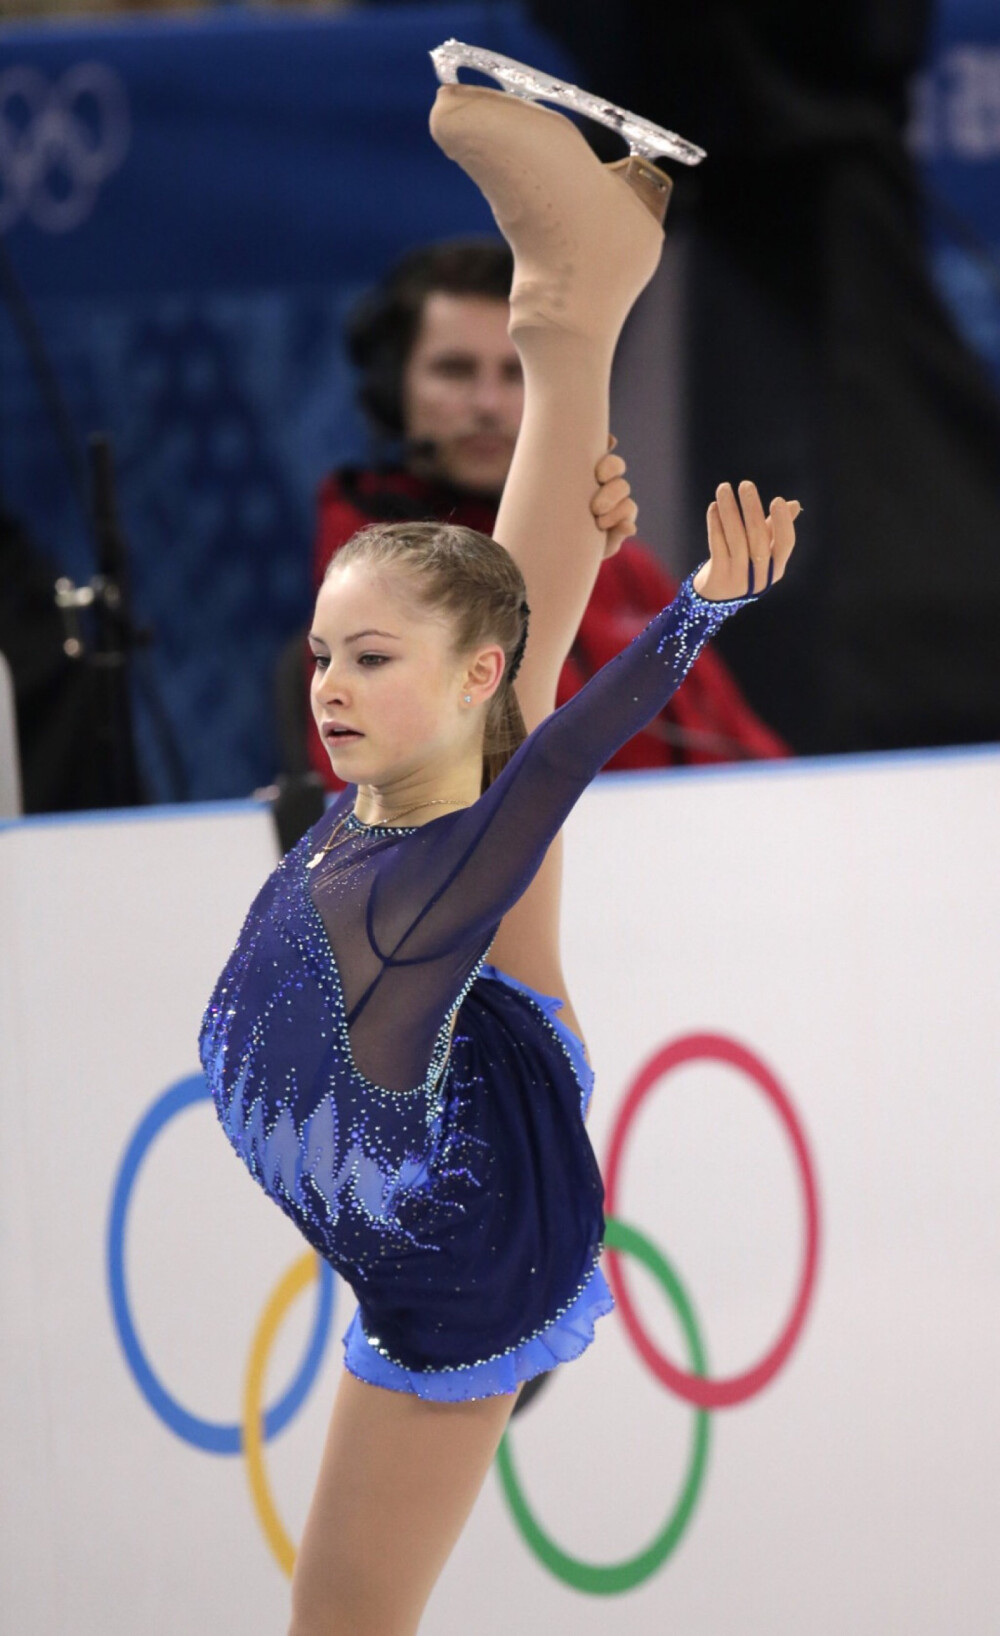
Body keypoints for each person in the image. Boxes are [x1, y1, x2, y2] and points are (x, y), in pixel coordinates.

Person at [201, 66, 799, 1636]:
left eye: (363, 661)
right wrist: (583, 539)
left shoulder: (435, 869)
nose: (325, 688)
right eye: (324, 656)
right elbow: (504, 681)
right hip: (437, 1133)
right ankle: (573, 304)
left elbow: (556, 744)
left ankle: (575, 300)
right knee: (498, 680)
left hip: (462, 1242)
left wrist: (698, 611)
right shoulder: (393, 794)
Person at [307, 240, 787, 786]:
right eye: (456, 370)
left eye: (517, 373)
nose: (488, 404)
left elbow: (750, 753)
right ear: (394, 392)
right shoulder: (366, 569)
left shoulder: (622, 563)